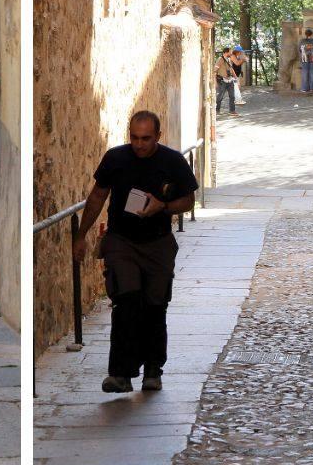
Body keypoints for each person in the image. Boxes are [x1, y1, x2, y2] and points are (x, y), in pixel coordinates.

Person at [72, 111, 199, 393]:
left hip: (158, 242)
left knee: (155, 305)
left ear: (158, 136)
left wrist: (163, 207)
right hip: (122, 241)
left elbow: (189, 200)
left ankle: (153, 369)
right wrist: (81, 235)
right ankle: (120, 373)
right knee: (125, 302)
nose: (139, 144)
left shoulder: (173, 161)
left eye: (146, 138)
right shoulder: (115, 159)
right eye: (134, 137)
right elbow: (96, 197)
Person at [214, 49, 238, 116]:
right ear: (226, 52)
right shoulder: (220, 59)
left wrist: (236, 78)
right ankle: (216, 110)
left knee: (232, 96)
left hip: (230, 80)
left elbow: (231, 69)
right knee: (220, 96)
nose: (231, 53)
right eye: (230, 52)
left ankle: (232, 111)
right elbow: (215, 71)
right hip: (222, 81)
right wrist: (215, 82)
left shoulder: (229, 60)